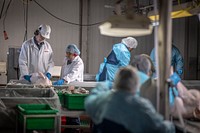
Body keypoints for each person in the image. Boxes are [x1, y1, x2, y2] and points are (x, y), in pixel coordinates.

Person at [85, 66, 175, 133]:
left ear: (116, 81)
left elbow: (88, 102)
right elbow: (160, 129)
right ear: (136, 84)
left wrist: (105, 85)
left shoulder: (102, 99)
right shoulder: (141, 106)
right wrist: (170, 126)